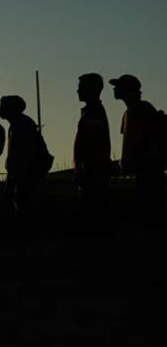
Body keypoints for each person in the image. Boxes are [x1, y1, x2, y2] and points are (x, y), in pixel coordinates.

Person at [111, 74, 164, 221]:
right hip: (146, 169)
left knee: (150, 209)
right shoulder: (134, 111)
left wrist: (126, 163)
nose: (115, 89)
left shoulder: (138, 111)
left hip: (148, 169)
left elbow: (133, 142)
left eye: (119, 87)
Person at [0, 95, 51, 232]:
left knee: (26, 213)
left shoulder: (21, 126)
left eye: (2, 106)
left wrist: (13, 180)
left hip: (25, 178)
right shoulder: (20, 125)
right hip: (24, 177)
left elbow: (22, 156)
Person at [74, 73, 112, 234]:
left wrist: (84, 169)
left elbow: (92, 145)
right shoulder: (92, 111)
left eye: (81, 87)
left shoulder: (93, 112)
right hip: (92, 173)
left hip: (92, 174)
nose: (77, 91)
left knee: (92, 216)